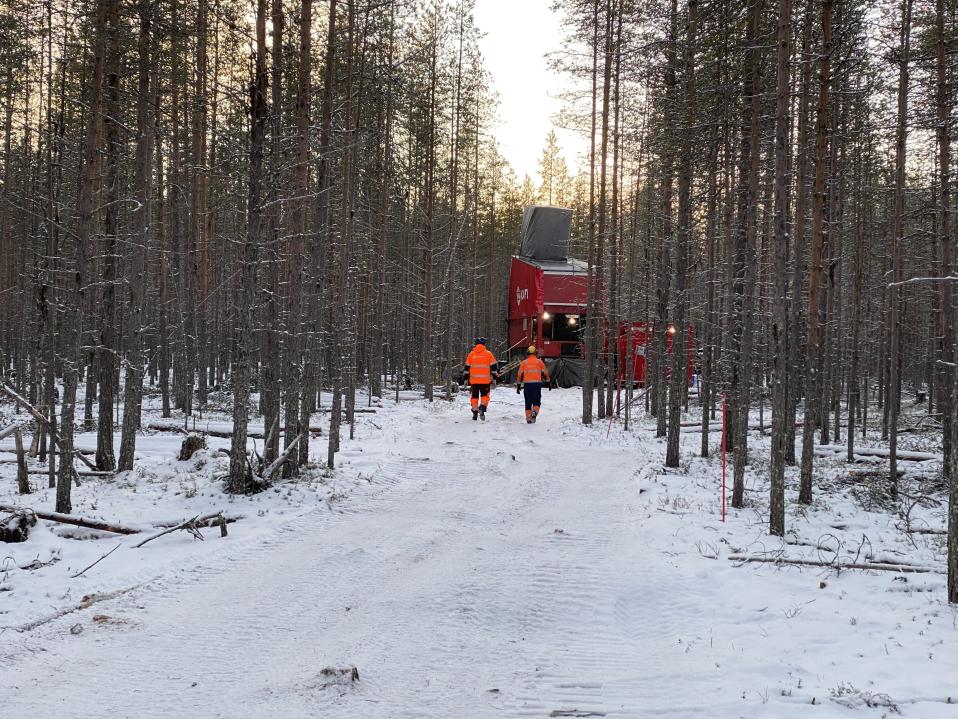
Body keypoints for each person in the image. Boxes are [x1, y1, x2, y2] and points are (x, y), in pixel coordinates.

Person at [463, 337, 498, 421]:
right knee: (485, 395)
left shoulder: (471, 354)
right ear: (484, 344)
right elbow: (493, 368)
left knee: (474, 397)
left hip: (474, 381)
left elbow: (466, 368)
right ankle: (482, 407)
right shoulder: (488, 354)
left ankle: (475, 412)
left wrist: (465, 379)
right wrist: (495, 378)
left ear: (475, 344)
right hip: (485, 381)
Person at [516, 345, 551, 423]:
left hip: (527, 385)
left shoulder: (524, 363)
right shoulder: (539, 362)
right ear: (535, 353)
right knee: (536, 401)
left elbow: (519, 375)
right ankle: (535, 411)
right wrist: (548, 382)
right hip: (537, 385)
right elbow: (545, 373)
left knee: (528, 402)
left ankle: (528, 418)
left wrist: (518, 386)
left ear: (528, 353)